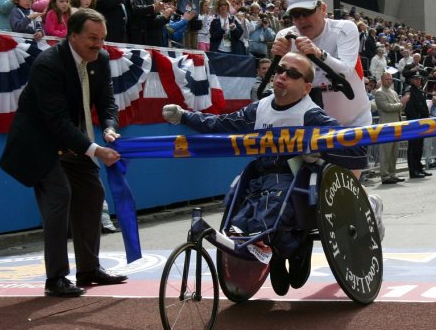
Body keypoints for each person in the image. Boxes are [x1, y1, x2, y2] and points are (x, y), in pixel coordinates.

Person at [162, 51, 382, 245]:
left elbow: (355, 149)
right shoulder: (258, 109)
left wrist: (319, 151)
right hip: (260, 176)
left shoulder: (312, 116)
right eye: (280, 70)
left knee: (272, 203)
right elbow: (220, 124)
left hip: (293, 180)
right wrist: (184, 116)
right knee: (237, 203)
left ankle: (368, 204)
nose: (283, 76)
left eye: (292, 74)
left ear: (306, 88)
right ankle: (239, 236)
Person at [0, 8, 125, 297]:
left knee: (92, 192)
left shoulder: (101, 59)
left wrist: (109, 128)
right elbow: (56, 121)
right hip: (39, 143)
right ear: (73, 36)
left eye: (103, 38)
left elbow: (107, 101)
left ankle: (89, 269)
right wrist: (96, 150)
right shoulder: (48, 64)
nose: (99, 45)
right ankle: (55, 278)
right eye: (93, 38)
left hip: (73, 140)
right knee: (60, 196)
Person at [271, 0, 372, 174]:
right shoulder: (285, 36)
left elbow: (345, 71)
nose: (301, 20)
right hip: (311, 126)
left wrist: (318, 54)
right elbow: (281, 86)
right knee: (306, 185)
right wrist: (279, 58)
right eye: (295, 15)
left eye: (307, 12)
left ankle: (364, 194)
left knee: (345, 184)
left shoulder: (344, 28)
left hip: (351, 121)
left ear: (323, 8)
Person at [373, 71, 405, 184]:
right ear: (382, 80)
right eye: (387, 79)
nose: (389, 81)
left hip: (396, 125)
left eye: (390, 79)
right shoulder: (379, 93)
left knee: (394, 152)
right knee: (385, 152)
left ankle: (392, 174)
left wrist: (400, 105)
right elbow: (386, 107)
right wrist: (401, 104)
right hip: (386, 126)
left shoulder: (394, 92)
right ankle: (385, 176)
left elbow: (398, 108)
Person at [400, 66, 431, 179]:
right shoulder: (409, 90)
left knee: (419, 147)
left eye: (419, 79)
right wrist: (416, 119)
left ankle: (419, 167)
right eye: (416, 79)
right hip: (414, 123)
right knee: (413, 147)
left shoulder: (418, 90)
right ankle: (413, 170)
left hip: (421, 123)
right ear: (411, 80)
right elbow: (409, 108)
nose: (418, 81)